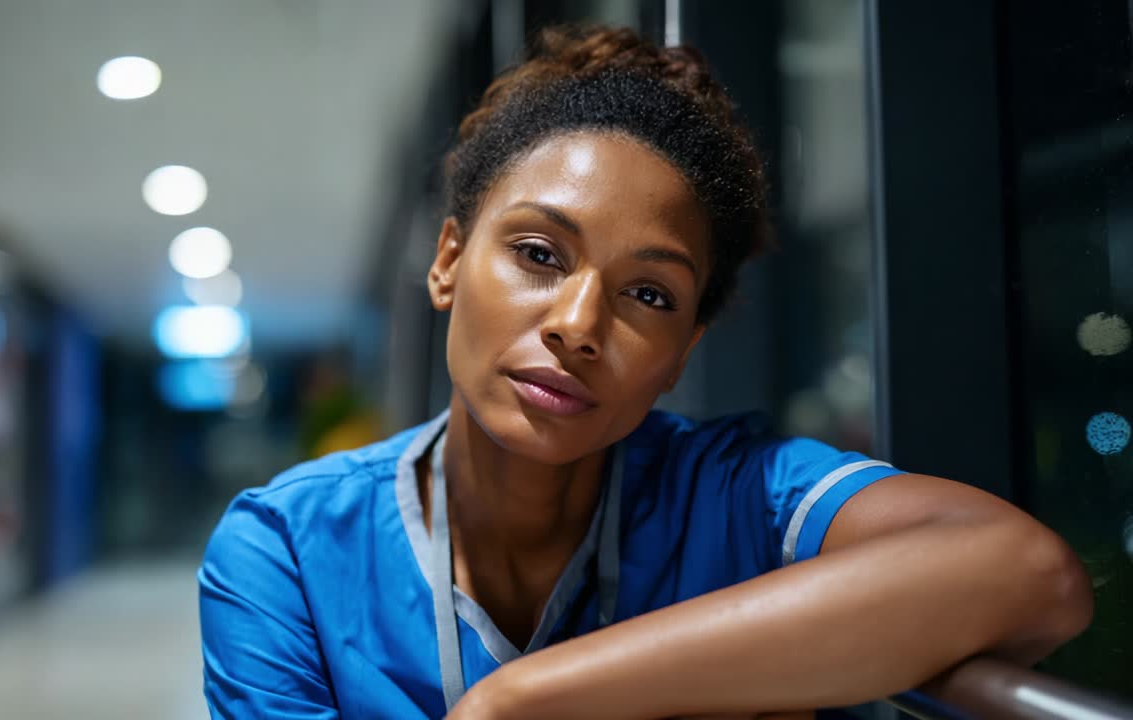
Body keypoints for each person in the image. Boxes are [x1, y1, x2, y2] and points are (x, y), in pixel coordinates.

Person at [198, 25, 1093, 719]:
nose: (580, 326)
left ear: (685, 354)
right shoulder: (286, 550)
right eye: (540, 253)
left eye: (651, 297)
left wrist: (523, 699)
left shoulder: (737, 496)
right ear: (447, 262)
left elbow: (1029, 577)